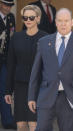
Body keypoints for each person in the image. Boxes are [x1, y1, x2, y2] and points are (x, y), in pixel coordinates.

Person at [28, 8, 73, 131]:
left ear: (72, 22)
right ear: (56, 22)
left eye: (66, 20)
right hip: (46, 96)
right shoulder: (43, 42)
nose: (63, 24)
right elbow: (35, 72)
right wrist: (31, 96)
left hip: (70, 97)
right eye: (60, 20)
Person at [5, 5, 47, 131]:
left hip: (39, 87)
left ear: (38, 19)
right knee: (21, 124)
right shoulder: (16, 38)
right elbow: (11, 65)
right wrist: (8, 90)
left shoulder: (46, 38)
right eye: (25, 17)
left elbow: (50, 66)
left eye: (31, 17)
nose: (28, 20)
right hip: (20, 86)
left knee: (34, 124)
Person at [0, 0, 16, 129]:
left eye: (10, 5)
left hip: (5, 60)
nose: (8, 7)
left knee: (5, 90)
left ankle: (7, 120)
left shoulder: (11, 17)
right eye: (6, 5)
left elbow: (12, 38)